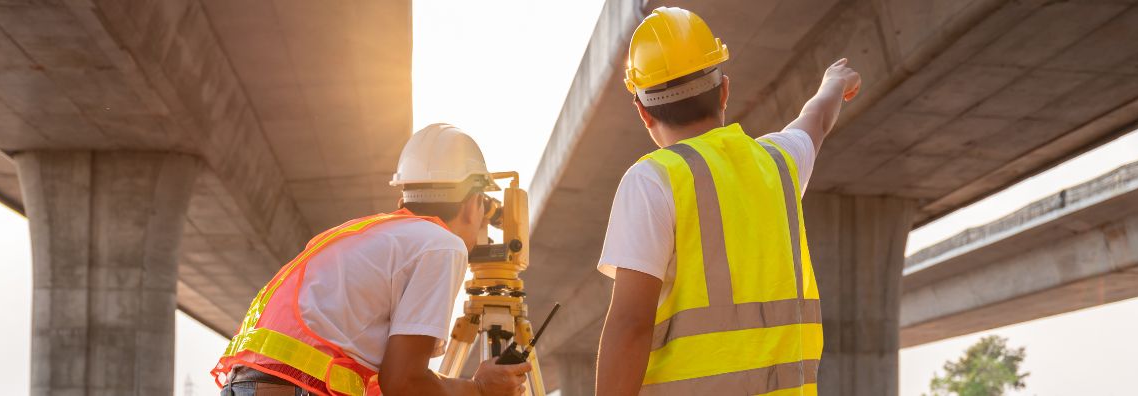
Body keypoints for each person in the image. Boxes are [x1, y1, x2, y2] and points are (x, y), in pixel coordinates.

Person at [592, 7, 861, 396]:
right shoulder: (778, 163)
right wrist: (833, 84)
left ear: (643, 112)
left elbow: (631, 323)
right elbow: (815, 120)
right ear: (724, 90)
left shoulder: (653, 180)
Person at [211, 124, 532, 396]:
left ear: (402, 199)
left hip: (250, 384)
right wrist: (478, 389)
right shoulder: (443, 246)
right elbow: (403, 382)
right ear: (472, 204)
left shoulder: (373, 236)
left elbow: (385, 380)